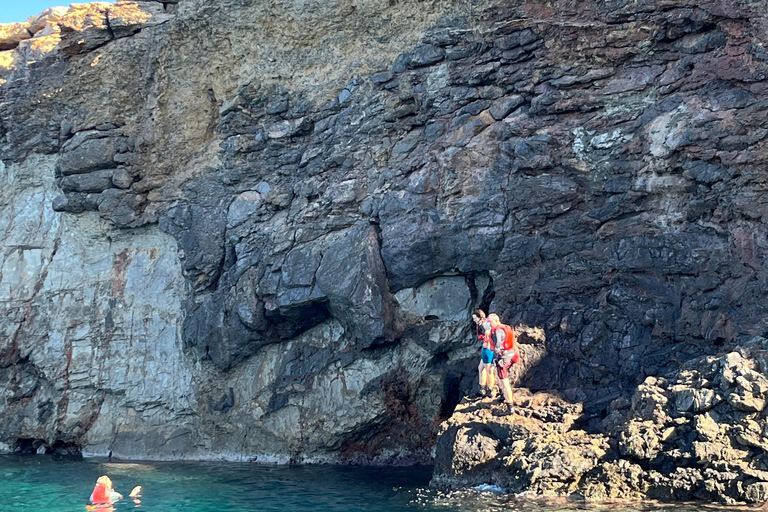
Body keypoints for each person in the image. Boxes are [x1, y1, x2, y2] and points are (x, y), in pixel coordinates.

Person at [488, 314, 519, 414]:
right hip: (511, 356)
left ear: (496, 321)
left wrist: (494, 359)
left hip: (503, 359)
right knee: (502, 379)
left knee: (504, 382)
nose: (489, 324)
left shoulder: (498, 331)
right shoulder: (506, 327)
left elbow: (498, 346)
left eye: (490, 322)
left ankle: (510, 407)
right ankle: (503, 396)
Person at [472, 309, 496, 398]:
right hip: (485, 348)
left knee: (488, 368)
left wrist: (488, 344)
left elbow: (489, 334)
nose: (474, 320)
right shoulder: (481, 324)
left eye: (475, 318)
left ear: (480, 317)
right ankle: (482, 388)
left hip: (488, 349)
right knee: (481, 368)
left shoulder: (485, 324)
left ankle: (491, 389)